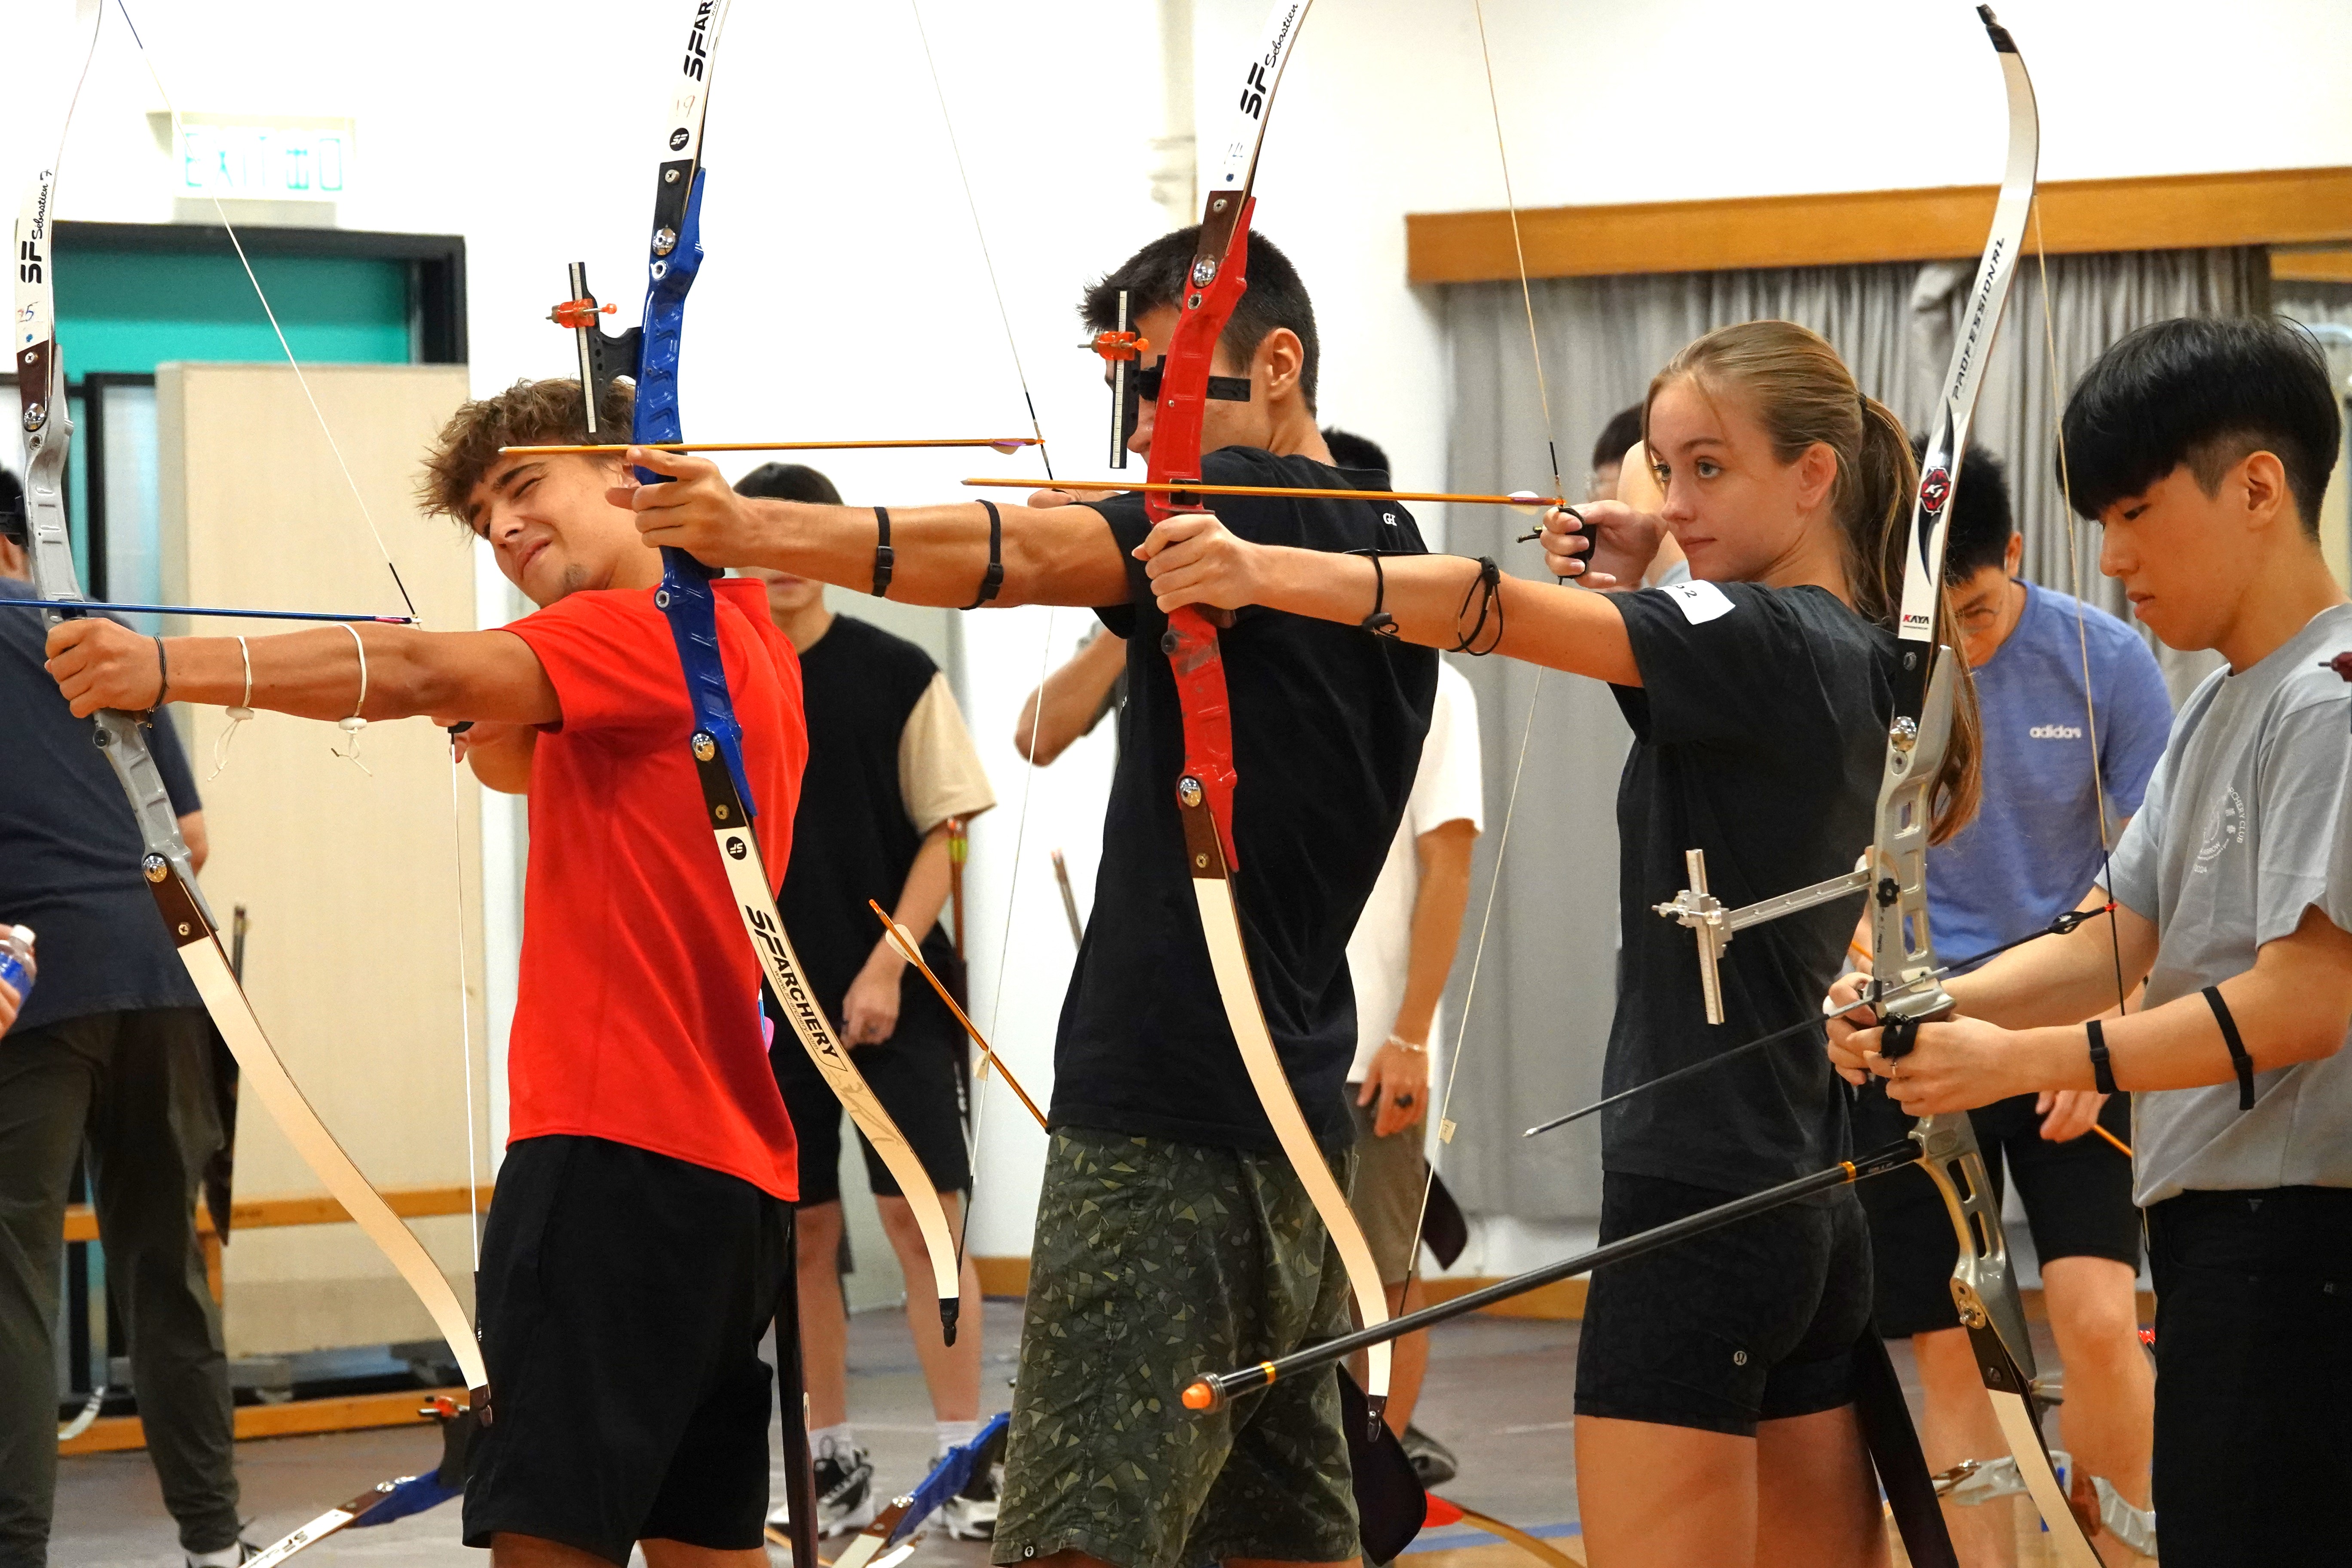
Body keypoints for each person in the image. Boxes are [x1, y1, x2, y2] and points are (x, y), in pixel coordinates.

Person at [620, 224, 1437, 1568]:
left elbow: (1021, 555)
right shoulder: (1383, 539)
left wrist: (750, 530)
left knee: (1075, 1540)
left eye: (1164, 381)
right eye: (1129, 392)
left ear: (1279, 365)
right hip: (1297, 1134)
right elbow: (1067, 598)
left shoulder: (1248, 507)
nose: (1143, 425)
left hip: (1163, 1131)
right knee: (1282, 1545)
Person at [1131, 318, 1972, 1568]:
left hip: (1697, 1207)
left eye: (1707, 469)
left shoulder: (1760, 639)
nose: (1673, 502)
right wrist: (1648, 574)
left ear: (1814, 475)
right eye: (1666, 469)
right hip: (1805, 1201)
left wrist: (1262, 570)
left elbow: (1488, 609)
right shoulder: (1844, 648)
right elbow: (1680, 628)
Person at [43, 378, 813, 1568]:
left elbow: (411, 674)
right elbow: (514, 757)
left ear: (636, 472)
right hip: (728, 1177)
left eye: (525, 484)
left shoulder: (641, 627)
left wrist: (158, 665)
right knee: (700, 1540)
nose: (501, 527)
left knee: (548, 1537)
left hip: (611, 1152)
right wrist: (483, 702)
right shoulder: (742, 641)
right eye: (481, 516)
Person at [1836, 315, 2352, 1568]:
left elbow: (2306, 1002)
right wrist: (1926, 1006)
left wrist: (2022, 1059)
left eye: (2133, 512)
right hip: (2223, 1234)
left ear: (2258, 488)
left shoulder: (2327, 700)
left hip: (2302, 1245)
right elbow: (2112, 931)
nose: (2112, 557)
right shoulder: (2225, 699)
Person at [1846, 439, 2168, 1562]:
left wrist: (2106, 1034)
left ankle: (2121, 1545)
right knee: (1955, 1343)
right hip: (1925, 1037)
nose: (1963, 641)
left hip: (2068, 1029)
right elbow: (1848, 859)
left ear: (2017, 554)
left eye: (1978, 611)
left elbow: (2158, 878)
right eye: (1942, 618)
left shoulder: (2104, 658)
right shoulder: (1877, 662)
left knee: (2097, 1320)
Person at [730, 462, 999, 1540]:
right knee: (801, 1232)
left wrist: (889, 963)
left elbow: (949, 832)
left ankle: (963, 1457)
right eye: (760, 538)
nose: (781, 562)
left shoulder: (896, 672)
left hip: (894, 995)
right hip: (768, 1002)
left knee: (922, 1219)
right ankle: (828, 1454)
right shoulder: (719, 685)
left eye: (803, 537)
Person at [0, 469, 251, 1568]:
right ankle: (215, 1541)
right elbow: (189, 836)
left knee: (13, 1282)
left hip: (29, 984)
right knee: (165, 1267)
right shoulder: (100, 636)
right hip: (166, 975)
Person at [1008, 426, 1390, 768]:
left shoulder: (1367, 618)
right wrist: (1148, 587)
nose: (1138, 437)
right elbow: (1037, 738)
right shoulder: (1161, 590)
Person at [1341, 649, 1480, 1482]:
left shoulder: (1435, 686)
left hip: (1371, 1046)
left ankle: (1373, 1484)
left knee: (1381, 1272)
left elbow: (1449, 862)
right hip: (1263, 1040)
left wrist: (1411, 1036)